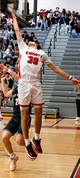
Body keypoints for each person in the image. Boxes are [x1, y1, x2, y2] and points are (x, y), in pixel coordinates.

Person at [11, 12, 80, 160]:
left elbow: (55, 69)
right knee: (24, 115)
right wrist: (14, 19)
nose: (30, 42)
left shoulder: (42, 53)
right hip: (23, 83)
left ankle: (37, 138)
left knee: (38, 112)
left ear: (37, 45)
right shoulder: (23, 47)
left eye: (33, 42)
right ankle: (28, 143)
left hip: (35, 84)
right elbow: (17, 31)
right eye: (29, 41)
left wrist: (70, 77)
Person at [0, 64, 32, 171]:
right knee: (4, 137)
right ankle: (13, 157)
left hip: (24, 118)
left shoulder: (29, 87)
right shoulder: (16, 89)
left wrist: (8, 70)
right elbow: (5, 93)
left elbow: (20, 78)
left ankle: (32, 145)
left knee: (19, 141)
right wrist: (3, 81)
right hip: (15, 118)